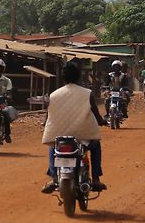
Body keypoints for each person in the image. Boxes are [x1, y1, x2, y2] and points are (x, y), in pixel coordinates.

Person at [40, 62, 106, 194]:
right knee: (95, 146)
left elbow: (49, 116)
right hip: (83, 139)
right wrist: (101, 121)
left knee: (53, 148)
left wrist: (45, 123)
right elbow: (96, 114)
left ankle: (53, 178)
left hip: (60, 138)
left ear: (63, 78)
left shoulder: (54, 95)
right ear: (79, 77)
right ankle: (96, 179)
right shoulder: (87, 93)